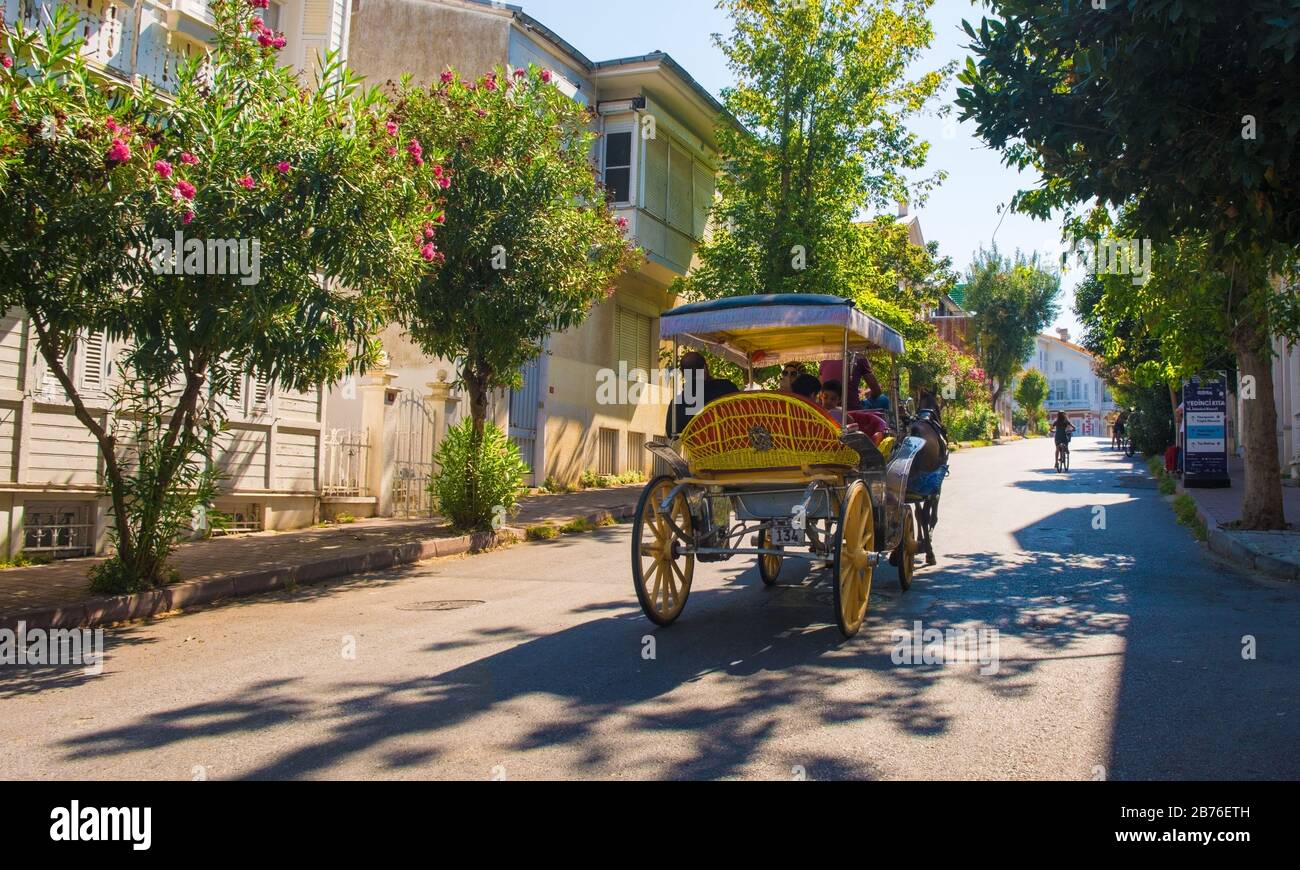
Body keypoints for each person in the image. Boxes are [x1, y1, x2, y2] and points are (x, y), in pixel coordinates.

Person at [664, 351, 739, 437]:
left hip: (697, 449)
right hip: (731, 445)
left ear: (683, 373)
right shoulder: (726, 387)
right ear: (704, 368)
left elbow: (671, 434)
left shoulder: (676, 404)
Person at [820, 355, 890, 412]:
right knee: (883, 399)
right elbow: (877, 391)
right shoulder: (859, 356)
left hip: (827, 408)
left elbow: (820, 386)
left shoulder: (824, 359)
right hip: (853, 409)